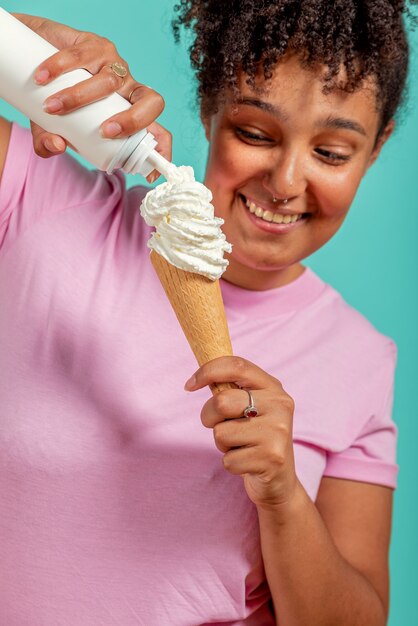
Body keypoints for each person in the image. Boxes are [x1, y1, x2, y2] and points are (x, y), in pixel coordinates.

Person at [0, 2, 414, 624]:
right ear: (208, 110)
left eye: (331, 152)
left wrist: (283, 498)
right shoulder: (40, 203)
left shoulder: (359, 356)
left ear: (376, 147)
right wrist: (19, 48)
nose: (285, 181)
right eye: (254, 133)